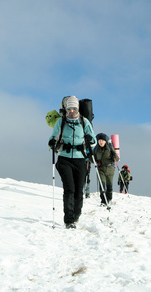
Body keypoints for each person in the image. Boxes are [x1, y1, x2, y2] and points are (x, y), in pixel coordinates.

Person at [48, 96, 96, 229]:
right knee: (69, 189)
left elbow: (93, 141)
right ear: (66, 109)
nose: (72, 110)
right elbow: (53, 136)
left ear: (78, 108)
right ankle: (69, 220)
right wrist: (52, 142)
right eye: (69, 108)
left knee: (78, 190)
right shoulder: (61, 122)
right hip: (64, 158)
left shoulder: (84, 121)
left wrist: (89, 139)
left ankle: (76, 215)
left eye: (74, 108)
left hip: (80, 159)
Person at [93, 133, 119, 206]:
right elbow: (93, 159)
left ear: (105, 141)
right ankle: (103, 201)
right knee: (102, 185)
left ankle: (109, 199)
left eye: (102, 140)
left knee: (109, 185)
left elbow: (117, 158)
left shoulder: (110, 148)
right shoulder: (96, 149)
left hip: (110, 169)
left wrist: (114, 156)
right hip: (101, 169)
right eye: (99, 140)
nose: (101, 142)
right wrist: (90, 157)